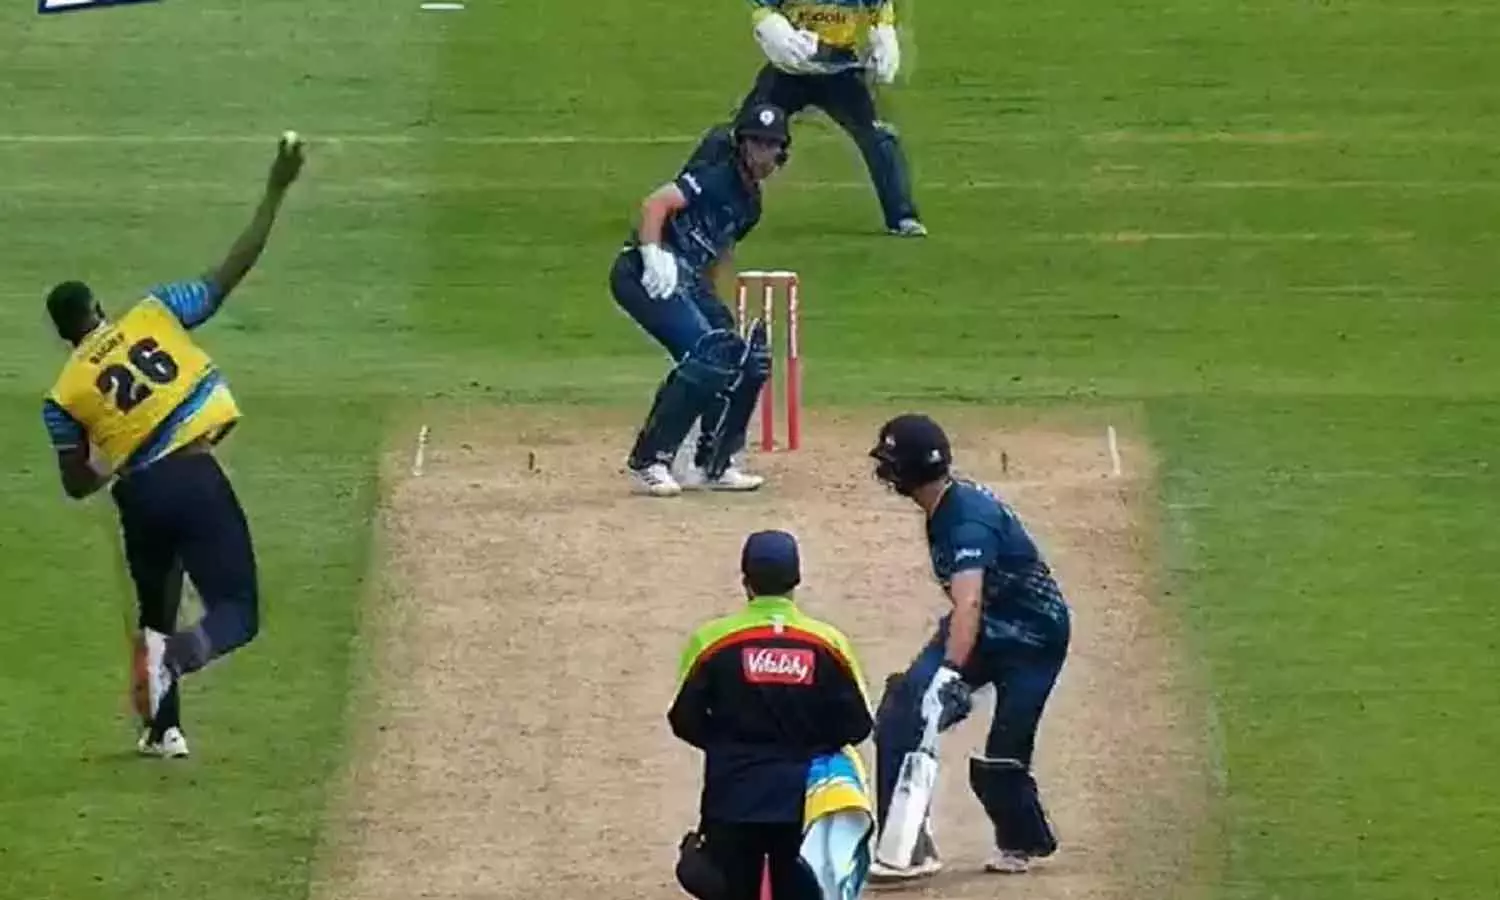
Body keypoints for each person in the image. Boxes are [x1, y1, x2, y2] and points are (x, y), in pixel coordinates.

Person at [40, 135, 306, 758]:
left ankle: (165, 731)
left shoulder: (63, 396)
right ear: (99, 309)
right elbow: (225, 276)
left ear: (64, 335)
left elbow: (76, 483)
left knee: (155, 610)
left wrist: (110, 454)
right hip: (192, 477)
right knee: (237, 611)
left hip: (138, 494)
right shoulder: (153, 313)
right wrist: (274, 190)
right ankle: (178, 660)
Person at [865, 414, 1072, 879]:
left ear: (907, 470)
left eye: (891, 464)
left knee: (1003, 754)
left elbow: (969, 599)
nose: (885, 473)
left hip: (1033, 640)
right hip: (980, 626)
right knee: (904, 709)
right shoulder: (943, 505)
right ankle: (906, 845)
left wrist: (950, 672)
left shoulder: (967, 522)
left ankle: (1022, 839)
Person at [669, 530, 874, 900]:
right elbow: (857, 724)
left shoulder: (711, 641)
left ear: (745, 580)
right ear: (796, 580)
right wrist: (812, 745)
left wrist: (727, 745)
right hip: (805, 803)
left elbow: (684, 719)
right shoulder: (828, 643)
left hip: (732, 796)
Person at [611, 102, 792, 497]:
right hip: (643, 273)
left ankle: (714, 461)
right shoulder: (715, 175)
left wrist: (711, 301)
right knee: (705, 355)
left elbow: (717, 250)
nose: (763, 153)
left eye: (771, 145)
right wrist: (652, 253)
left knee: (741, 358)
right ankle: (650, 460)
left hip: (689, 280)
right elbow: (656, 203)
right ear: (742, 144)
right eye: (756, 143)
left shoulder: (751, 205)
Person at [684, 0, 926, 237]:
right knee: (738, 132)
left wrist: (884, 34)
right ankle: (686, 197)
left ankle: (902, 216)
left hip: (841, 72)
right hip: (789, 71)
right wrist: (771, 24)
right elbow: (762, 5)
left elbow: (880, 7)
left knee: (879, 137)